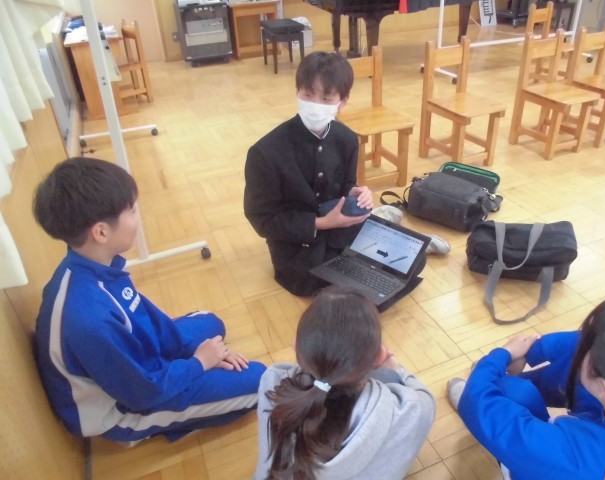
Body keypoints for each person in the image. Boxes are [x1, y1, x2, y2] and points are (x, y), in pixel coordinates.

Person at [33, 157, 266, 443]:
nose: (138, 216)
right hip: (122, 410)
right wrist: (199, 363)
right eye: (132, 210)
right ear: (101, 232)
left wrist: (195, 351)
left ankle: (190, 373)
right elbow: (143, 392)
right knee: (261, 380)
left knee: (210, 322)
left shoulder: (95, 263)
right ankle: (170, 420)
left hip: (138, 365)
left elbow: (149, 320)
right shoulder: (89, 319)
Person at [448, 294, 605, 479]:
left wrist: (499, 358)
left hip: (554, 460)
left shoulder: (569, 456)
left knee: (508, 392)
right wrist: (530, 352)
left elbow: (479, 406)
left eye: (588, 347)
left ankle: (481, 382)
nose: (582, 344)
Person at [254, 286, 435, 480]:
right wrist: (397, 369)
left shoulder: (273, 383)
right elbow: (424, 398)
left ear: (296, 347)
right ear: (379, 356)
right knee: (390, 378)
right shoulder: (410, 410)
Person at [243, 51, 375, 297]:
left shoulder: (347, 139)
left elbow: (345, 186)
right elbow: (262, 219)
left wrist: (356, 192)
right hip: (298, 248)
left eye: (326, 98)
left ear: (342, 102)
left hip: (339, 232)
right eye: (308, 95)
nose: (315, 105)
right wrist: (321, 223)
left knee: (403, 263)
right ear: (297, 92)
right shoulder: (265, 152)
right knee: (346, 291)